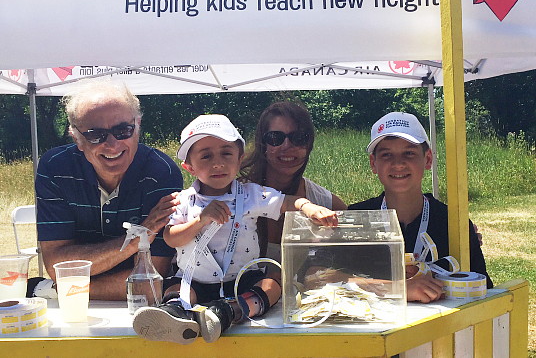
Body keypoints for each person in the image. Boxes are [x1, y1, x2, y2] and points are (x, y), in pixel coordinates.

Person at [132, 114, 338, 344]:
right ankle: (175, 315)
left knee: (271, 283)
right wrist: (201, 220)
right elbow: (171, 239)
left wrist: (309, 207)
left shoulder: (251, 194)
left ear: (239, 159)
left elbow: (286, 202)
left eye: (226, 153)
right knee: (175, 287)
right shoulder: (182, 201)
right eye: (206, 156)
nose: (218, 163)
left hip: (242, 278)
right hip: (194, 279)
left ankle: (227, 313)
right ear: (189, 166)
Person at [33, 80, 182, 300]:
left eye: (123, 130)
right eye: (95, 135)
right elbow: (57, 267)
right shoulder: (55, 168)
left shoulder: (161, 172)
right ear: (77, 138)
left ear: (137, 127)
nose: (112, 144)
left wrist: (65, 288)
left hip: (135, 310)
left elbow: (151, 279)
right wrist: (134, 240)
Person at [348, 111, 493, 302]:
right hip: (374, 330)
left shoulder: (453, 224)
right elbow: (323, 278)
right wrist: (398, 289)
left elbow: (482, 290)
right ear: (373, 163)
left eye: (409, 153)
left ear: (428, 159)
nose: (398, 164)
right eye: (386, 155)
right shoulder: (355, 218)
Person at [240, 101, 347, 261]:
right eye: (276, 138)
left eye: (298, 138)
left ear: (309, 144)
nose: (287, 146)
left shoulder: (326, 203)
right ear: (263, 144)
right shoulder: (237, 196)